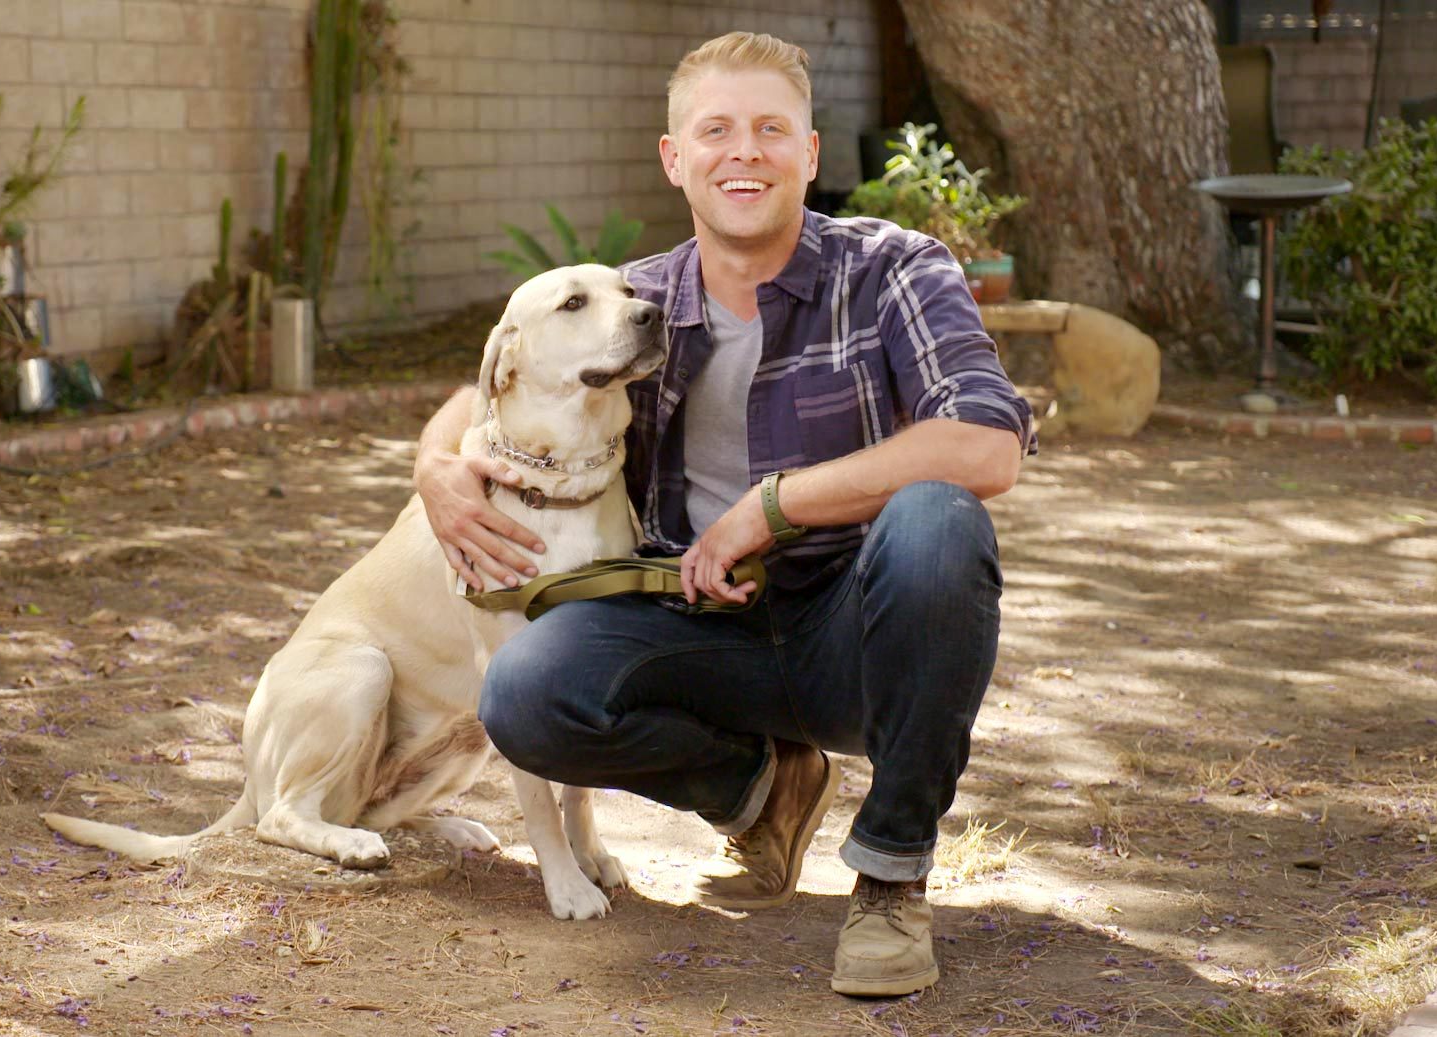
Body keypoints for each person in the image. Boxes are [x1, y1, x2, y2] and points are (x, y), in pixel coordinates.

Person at [413, 31, 1035, 997]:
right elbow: (498, 378)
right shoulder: (639, 300)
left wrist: (774, 505)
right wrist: (435, 467)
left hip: (857, 638)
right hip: (696, 639)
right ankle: (758, 788)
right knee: (525, 694)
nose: (743, 151)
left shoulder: (893, 271)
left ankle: (890, 880)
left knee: (940, 523)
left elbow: (989, 441)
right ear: (676, 159)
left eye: (769, 130)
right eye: (716, 130)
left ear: (810, 154)